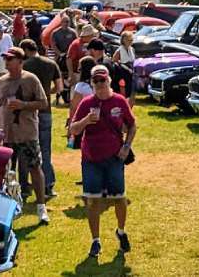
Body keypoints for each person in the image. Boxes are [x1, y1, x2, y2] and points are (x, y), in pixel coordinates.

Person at [69, 64, 136, 257]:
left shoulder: (119, 101)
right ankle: (95, 241)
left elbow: (132, 125)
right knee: (92, 201)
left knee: (120, 199)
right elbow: (73, 130)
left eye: (102, 80)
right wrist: (86, 121)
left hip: (115, 157)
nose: (99, 84)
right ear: (91, 83)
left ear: (109, 81)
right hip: (91, 158)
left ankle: (121, 231)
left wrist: (126, 147)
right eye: (95, 81)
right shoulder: (86, 103)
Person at [0, 47, 51, 224]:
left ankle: (41, 207)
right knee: (5, 172)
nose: (7, 62)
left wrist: (23, 104)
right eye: (5, 59)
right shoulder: (1, 81)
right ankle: (6, 209)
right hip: (6, 135)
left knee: (34, 168)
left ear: (20, 61)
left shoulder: (31, 79)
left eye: (10, 59)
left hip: (27, 133)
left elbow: (43, 102)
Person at [21, 39, 63, 198]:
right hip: (46, 111)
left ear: (25, 50)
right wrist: (47, 94)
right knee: (45, 150)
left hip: (29, 112)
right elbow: (59, 87)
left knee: (26, 149)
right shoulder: (51, 64)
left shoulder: (25, 66)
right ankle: (48, 185)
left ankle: (25, 185)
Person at [113, 31, 137, 100]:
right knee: (124, 90)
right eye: (128, 40)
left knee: (131, 90)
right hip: (123, 72)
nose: (130, 41)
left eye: (131, 40)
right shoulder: (119, 50)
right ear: (123, 40)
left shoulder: (132, 49)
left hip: (131, 71)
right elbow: (114, 60)